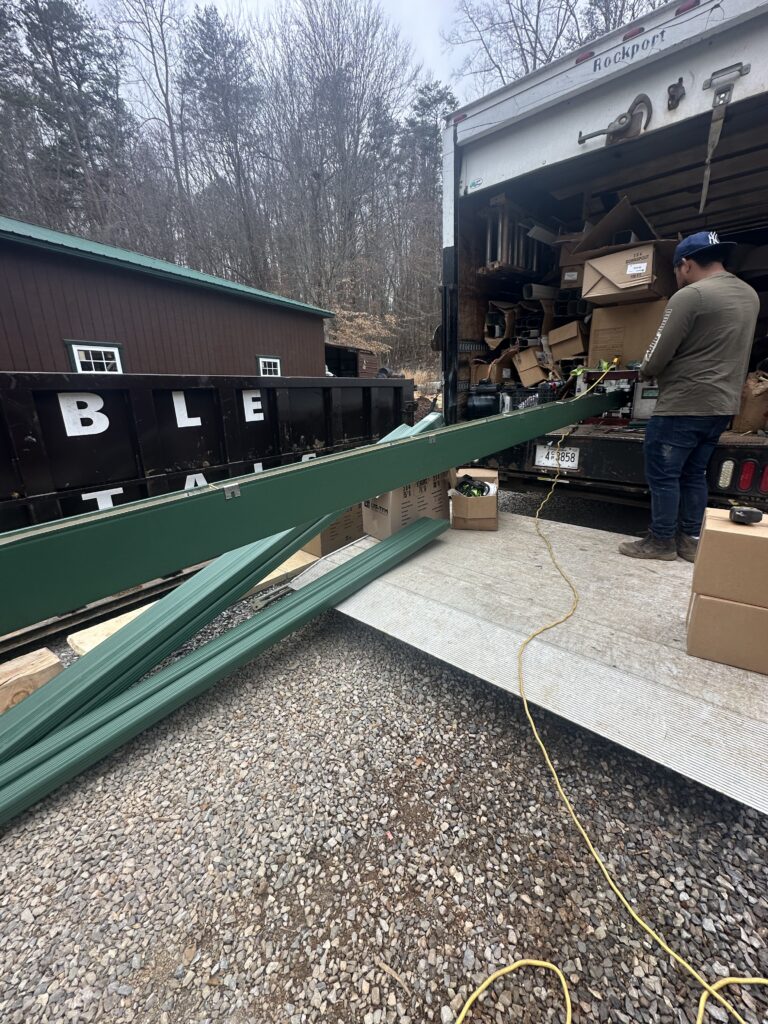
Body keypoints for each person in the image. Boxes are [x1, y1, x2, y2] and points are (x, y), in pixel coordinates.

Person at [619, 231, 759, 562]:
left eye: (677, 271)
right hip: (721, 406)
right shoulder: (749, 294)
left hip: (683, 404)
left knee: (664, 474)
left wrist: (644, 371)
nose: (678, 278)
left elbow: (657, 354)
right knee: (694, 473)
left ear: (686, 264)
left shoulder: (691, 296)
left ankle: (661, 542)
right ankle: (691, 540)